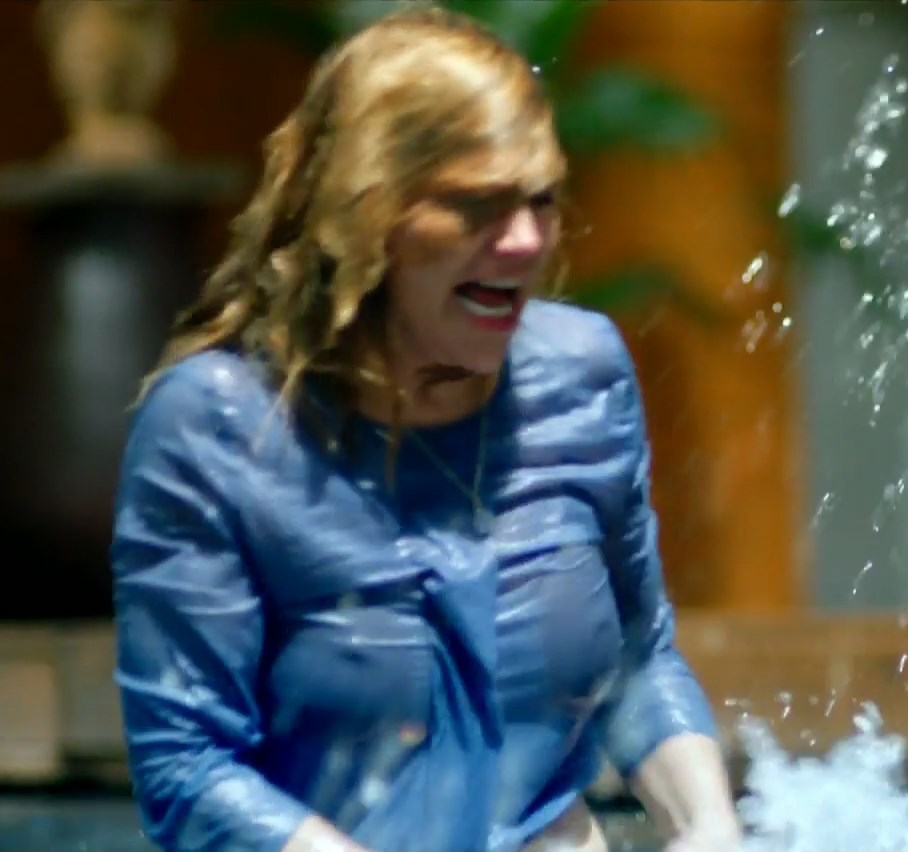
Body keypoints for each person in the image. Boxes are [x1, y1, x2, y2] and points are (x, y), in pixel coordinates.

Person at [109, 10, 739, 852]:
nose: (525, 241)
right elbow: (185, 767)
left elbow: (637, 659)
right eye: (478, 205)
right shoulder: (216, 425)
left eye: (542, 200)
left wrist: (710, 827)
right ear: (363, 210)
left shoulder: (582, 374)